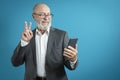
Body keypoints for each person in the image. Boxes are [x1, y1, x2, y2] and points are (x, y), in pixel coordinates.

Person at [11, 3, 78, 80]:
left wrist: (73, 59)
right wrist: (24, 42)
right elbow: (15, 62)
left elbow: (71, 67)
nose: (46, 18)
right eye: (42, 15)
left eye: (48, 14)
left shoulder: (62, 35)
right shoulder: (27, 36)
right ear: (34, 16)